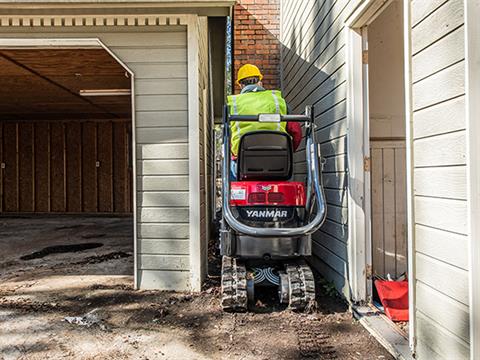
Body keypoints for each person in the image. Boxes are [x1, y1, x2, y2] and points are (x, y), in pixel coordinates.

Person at [226, 64, 302, 179]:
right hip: (278, 165)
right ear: (260, 82)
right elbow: (296, 132)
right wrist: (290, 151)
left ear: (241, 85)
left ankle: (233, 195)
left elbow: (229, 138)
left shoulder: (233, 104)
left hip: (243, 167)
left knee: (231, 170)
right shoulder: (278, 101)